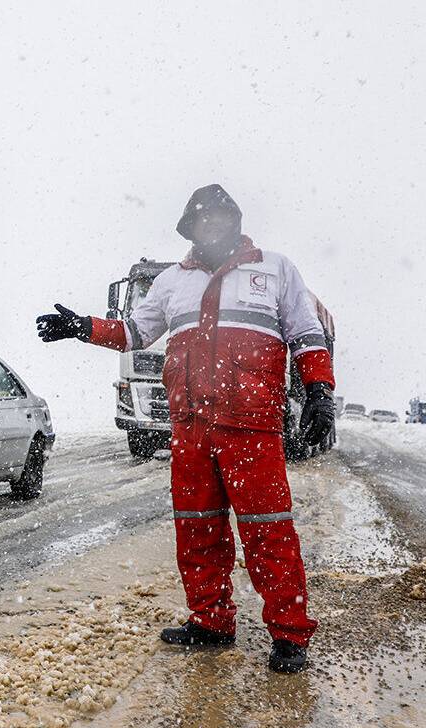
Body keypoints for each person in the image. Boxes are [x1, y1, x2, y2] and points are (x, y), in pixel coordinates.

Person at [35, 184, 336, 673]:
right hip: (191, 427)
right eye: (202, 219)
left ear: (234, 221)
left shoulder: (276, 269)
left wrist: (320, 392)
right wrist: (81, 327)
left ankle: (289, 635)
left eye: (220, 217)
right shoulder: (171, 281)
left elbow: (305, 334)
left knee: (268, 532)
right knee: (197, 530)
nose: (211, 226)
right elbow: (136, 332)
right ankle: (211, 623)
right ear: (190, 227)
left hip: (251, 426)